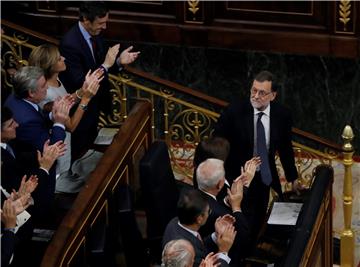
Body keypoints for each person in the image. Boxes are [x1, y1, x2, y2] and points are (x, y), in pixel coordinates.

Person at [214, 70, 301, 240]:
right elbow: (217, 143)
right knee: (240, 218)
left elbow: (285, 147)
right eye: (254, 90)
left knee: (259, 217)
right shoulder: (234, 112)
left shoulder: (282, 115)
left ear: (273, 96)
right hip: (237, 177)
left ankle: (253, 246)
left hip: (264, 176)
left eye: (262, 93)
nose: (256, 96)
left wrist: (293, 177)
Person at [59, 1, 140, 160]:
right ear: (86, 20)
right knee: (80, 151)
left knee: (90, 147)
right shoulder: (70, 44)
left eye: (106, 22)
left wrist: (118, 62)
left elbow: (102, 62)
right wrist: (107, 64)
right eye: (101, 23)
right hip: (79, 110)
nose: (104, 27)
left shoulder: (95, 33)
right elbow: (81, 82)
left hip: (94, 105)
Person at [28, 44, 104, 193]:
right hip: (57, 148)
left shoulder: (56, 81)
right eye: (58, 58)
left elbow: (66, 100)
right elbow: (71, 125)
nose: (64, 58)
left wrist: (83, 89)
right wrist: (86, 99)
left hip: (66, 145)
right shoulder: (45, 93)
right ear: (50, 66)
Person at [196, 158, 259, 266]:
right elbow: (244, 237)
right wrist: (236, 206)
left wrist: (229, 198)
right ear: (219, 185)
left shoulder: (191, 195)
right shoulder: (221, 216)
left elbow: (216, 204)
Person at [162, 189, 236, 267]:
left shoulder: (175, 221)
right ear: (199, 219)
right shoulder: (190, 255)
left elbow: (198, 244)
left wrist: (216, 235)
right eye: (209, 211)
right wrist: (223, 251)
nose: (209, 214)